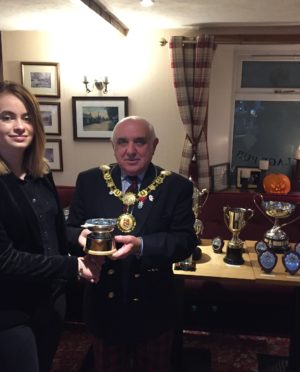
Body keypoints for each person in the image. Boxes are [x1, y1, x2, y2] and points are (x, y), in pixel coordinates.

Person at [0, 80, 103, 372]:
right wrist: (72, 266)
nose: (19, 125)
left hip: (49, 301)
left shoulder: (40, 171)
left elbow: (48, 227)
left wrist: (78, 236)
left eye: (26, 117)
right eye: (7, 117)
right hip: (5, 307)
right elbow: (2, 259)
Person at [66, 116, 197, 372]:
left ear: (154, 145)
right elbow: (69, 230)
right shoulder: (90, 181)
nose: (131, 150)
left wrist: (142, 245)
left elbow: (185, 241)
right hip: (104, 304)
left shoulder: (175, 186)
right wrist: (81, 239)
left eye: (140, 142)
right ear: (113, 146)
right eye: (123, 142)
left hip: (155, 306)